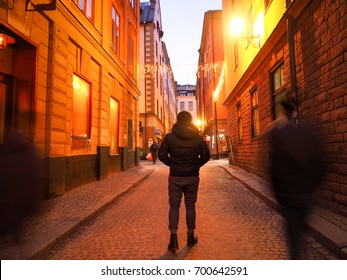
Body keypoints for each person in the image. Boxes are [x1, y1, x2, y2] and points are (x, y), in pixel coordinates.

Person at [267, 99, 324, 259]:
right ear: (294, 113)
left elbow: (274, 169)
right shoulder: (308, 133)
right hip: (306, 195)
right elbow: (320, 164)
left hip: (289, 197)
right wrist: (312, 188)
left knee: (294, 239)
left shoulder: (278, 136)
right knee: (301, 232)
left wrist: (279, 195)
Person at [158, 111, 210, 252]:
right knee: (190, 206)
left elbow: (161, 154)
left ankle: (173, 239)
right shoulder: (198, 138)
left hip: (175, 177)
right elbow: (206, 155)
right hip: (192, 176)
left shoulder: (169, 137)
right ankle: (190, 237)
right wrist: (196, 164)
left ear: (178, 120)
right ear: (190, 120)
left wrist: (172, 164)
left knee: (174, 206)